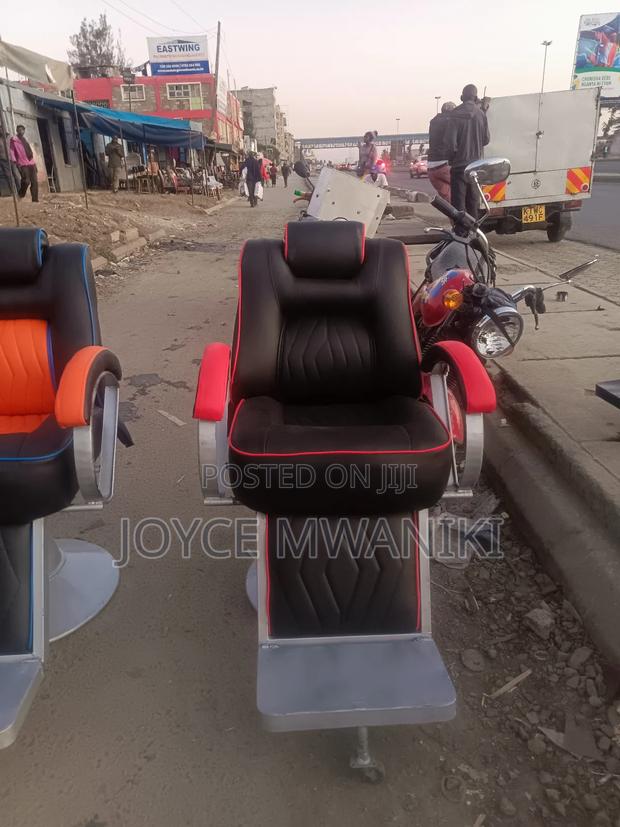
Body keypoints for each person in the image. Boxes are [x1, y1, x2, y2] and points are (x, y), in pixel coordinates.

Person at [446, 84, 490, 216]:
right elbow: (486, 139)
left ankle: (461, 234)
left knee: (459, 206)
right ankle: (473, 234)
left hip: (459, 167)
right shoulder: (481, 115)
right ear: (476, 98)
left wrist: (452, 159)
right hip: (475, 167)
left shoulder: (455, 115)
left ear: (461, 97)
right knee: (473, 203)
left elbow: (450, 143)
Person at [427, 101, 456, 201]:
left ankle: (454, 215)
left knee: (448, 197)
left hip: (431, 168)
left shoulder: (433, 122)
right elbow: (452, 141)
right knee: (463, 189)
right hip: (444, 164)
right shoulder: (450, 121)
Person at [10, 124, 38, 202]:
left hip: (31, 163)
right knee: (26, 181)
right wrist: (14, 161)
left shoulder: (25, 139)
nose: (21, 131)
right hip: (22, 163)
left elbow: (29, 151)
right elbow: (11, 150)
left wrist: (34, 164)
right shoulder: (14, 140)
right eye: (19, 129)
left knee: (34, 182)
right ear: (16, 131)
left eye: (22, 130)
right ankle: (21, 194)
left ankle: (35, 200)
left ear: (24, 131)